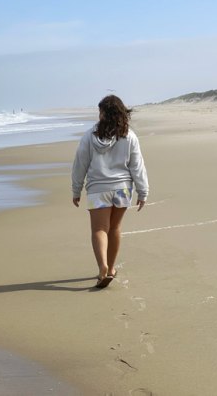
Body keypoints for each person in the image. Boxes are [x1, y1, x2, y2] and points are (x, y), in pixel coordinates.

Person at [71, 95, 149, 289]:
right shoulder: (129, 136)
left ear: (103, 114)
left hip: (98, 190)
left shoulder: (90, 136)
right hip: (122, 189)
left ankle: (102, 267)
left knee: (99, 230)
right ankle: (112, 268)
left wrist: (76, 189)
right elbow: (137, 166)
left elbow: (80, 164)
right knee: (114, 229)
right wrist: (143, 191)